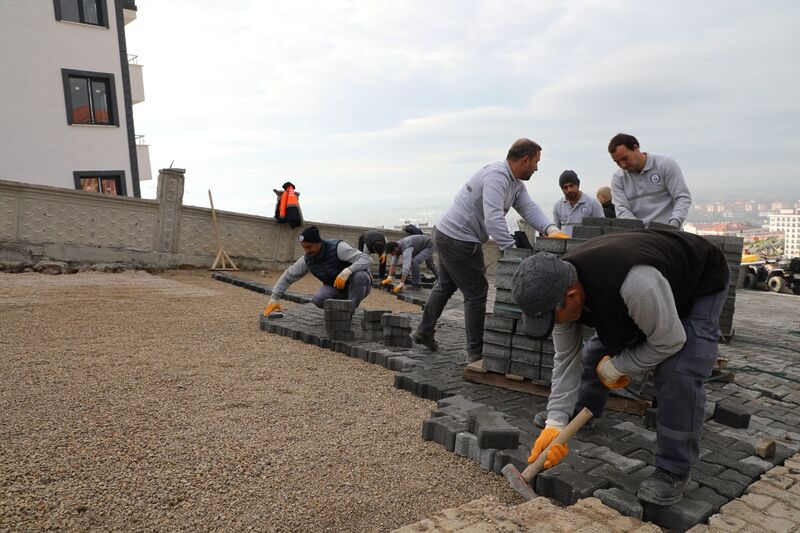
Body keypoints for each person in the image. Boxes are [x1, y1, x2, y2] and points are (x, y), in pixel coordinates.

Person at [513, 229, 728, 506]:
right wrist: (556, 423)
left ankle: (673, 469)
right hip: (648, 290)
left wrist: (620, 366)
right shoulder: (556, 288)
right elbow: (566, 359)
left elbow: (670, 341)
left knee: (679, 371)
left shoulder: (634, 283)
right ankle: (580, 416)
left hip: (698, 283)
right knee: (594, 355)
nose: (554, 324)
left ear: (573, 295)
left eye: (554, 318)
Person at [411, 138, 568, 361]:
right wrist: (512, 252)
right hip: (457, 239)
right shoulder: (497, 177)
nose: (536, 167)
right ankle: (475, 353)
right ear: (525, 160)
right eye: (536, 162)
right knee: (476, 293)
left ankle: (423, 331)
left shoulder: (514, 183)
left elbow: (529, 208)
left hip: (446, 233)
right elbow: (494, 219)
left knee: (445, 286)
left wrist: (551, 230)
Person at [263, 226, 372, 315]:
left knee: (360, 276)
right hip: (336, 288)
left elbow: (366, 259)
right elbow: (288, 276)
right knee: (318, 299)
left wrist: (348, 271)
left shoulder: (338, 248)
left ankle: (349, 312)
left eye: (309, 247)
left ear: (318, 242)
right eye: (304, 247)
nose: (306, 250)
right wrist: (274, 299)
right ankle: (340, 311)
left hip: (359, 286)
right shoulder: (307, 259)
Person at [608, 133, 692, 228]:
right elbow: (621, 209)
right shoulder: (618, 179)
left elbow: (682, 198)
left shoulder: (665, 165)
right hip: (639, 235)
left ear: (636, 148)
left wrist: (674, 224)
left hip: (669, 232)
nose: (623, 165)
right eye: (617, 162)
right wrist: (639, 229)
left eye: (625, 158)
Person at [551, 170, 605, 236]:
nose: (569, 190)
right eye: (565, 187)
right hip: (565, 244)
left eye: (571, 186)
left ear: (578, 184)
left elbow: (602, 228)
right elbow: (555, 231)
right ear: (562, 189)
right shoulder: (558, 206)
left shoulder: (593, 203)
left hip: (587, 245)